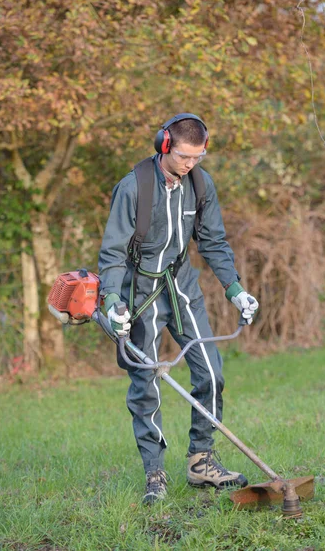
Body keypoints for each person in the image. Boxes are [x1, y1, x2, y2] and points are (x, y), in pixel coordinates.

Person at [98, 114, 259, 504]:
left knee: (212, 372)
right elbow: (112, 254)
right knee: (146, 383)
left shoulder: (200, 185)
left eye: (198, 157)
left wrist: (234, 289)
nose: (190, 164)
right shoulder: (134, 187)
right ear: (164, 144)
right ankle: (155, 472)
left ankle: (201, 460)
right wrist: (112, 301)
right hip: (140, 291)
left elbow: (214, 242)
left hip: (181, 285)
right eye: (185, 156)